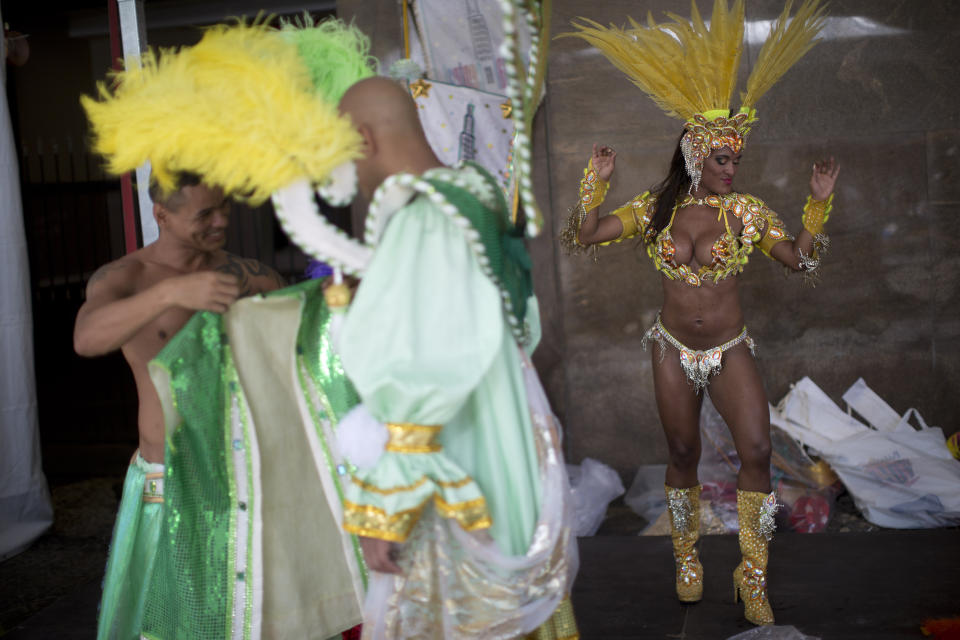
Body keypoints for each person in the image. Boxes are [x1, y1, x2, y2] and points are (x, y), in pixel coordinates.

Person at [562, 0, 837, 626]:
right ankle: (687, 559)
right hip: (669, 347)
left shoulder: (744, 211)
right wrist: (594, 182)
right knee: (681, 450)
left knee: (758, 450)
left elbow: (799, 260)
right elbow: (586, 234)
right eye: (722, 159)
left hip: (729, 345)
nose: (731, 167)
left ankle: (754, 573)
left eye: (736, 159)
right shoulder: (653, 209)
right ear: (695, 155)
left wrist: (816, 208)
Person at [334, 76, 579, 639]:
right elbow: (525, 326)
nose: (345, 178)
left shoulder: (427, 221)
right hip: (499, 439)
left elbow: (425, 366)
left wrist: (387, 504)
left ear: (363, 140)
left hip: (456, 465)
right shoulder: (475, 199)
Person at [72, 173, 284, 640]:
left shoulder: (252, 276)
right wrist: (170, 294)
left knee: (254, 619)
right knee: (174, 624)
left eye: (224, 208)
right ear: (161, 215)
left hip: (246, 475)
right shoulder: (126, 278)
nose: (221, 221)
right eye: (204, 214)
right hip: (168, 482)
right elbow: (86, 340)